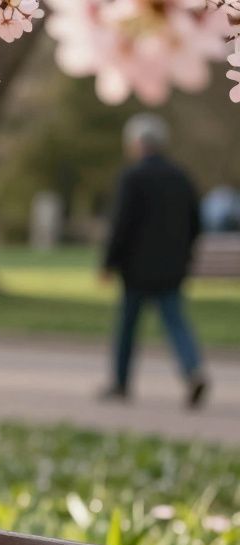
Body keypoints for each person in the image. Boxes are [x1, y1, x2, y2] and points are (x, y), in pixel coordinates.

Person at [99, 113, 208, 409]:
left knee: (127, 327)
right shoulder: (181, 176)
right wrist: (184, 255)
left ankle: (121, 383)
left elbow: (122, 224)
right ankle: (192, 371)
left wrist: (108, 262)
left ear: (136, 143)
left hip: (136, 268)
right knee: (176, 323)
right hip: (172, 267)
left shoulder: (133, 177)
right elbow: (196, 223)